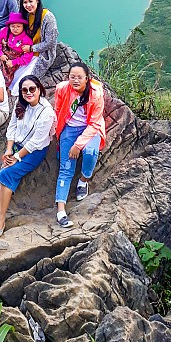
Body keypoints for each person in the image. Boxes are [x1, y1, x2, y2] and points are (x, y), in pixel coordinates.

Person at [0, 75, 56, 239]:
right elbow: (12, 127)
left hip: (33, 152)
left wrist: (16, 157)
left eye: (32, 89)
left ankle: (0, 219)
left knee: (6, 174)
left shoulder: (47, 113)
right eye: (25, 90)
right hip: (16, 147)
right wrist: (9, 150)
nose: (28, 93)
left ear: (39, 89)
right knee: (2, 178)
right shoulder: (20, 103)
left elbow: (36, 142)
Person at [54, 62, 106, 228]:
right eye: (72, 77)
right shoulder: (62, 89)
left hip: (90, 128)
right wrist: (56, 133)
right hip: (69, 128)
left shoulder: (96, 94)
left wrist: (78, 145)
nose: (75, 80)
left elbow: (94, 123)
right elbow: (58, 110)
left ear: (87, 78)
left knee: (90, 152)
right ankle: (60, 211)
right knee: (66, 168)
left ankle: (83, 181)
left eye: (79, 77)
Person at [9, 0, 58, 91]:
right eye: (25, 2)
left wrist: (31, 48)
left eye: (31, 1)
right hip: (26, 52)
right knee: (12, 77)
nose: (28, 5)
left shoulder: (48, 17)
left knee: (23, 82)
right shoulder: (27, 15)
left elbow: (50, 42)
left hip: (41, 54)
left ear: (37, 1)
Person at [0, 12, 34, 87]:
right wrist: (0, 54)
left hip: (12, 64)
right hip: (1, 58)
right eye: (13, 26)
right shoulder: (5, 31)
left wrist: (14, 62)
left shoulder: (26, 39)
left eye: (18, 26)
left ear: (23, 26)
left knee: (4, 79)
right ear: (9, 26)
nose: (15, 29)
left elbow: (27, 57)